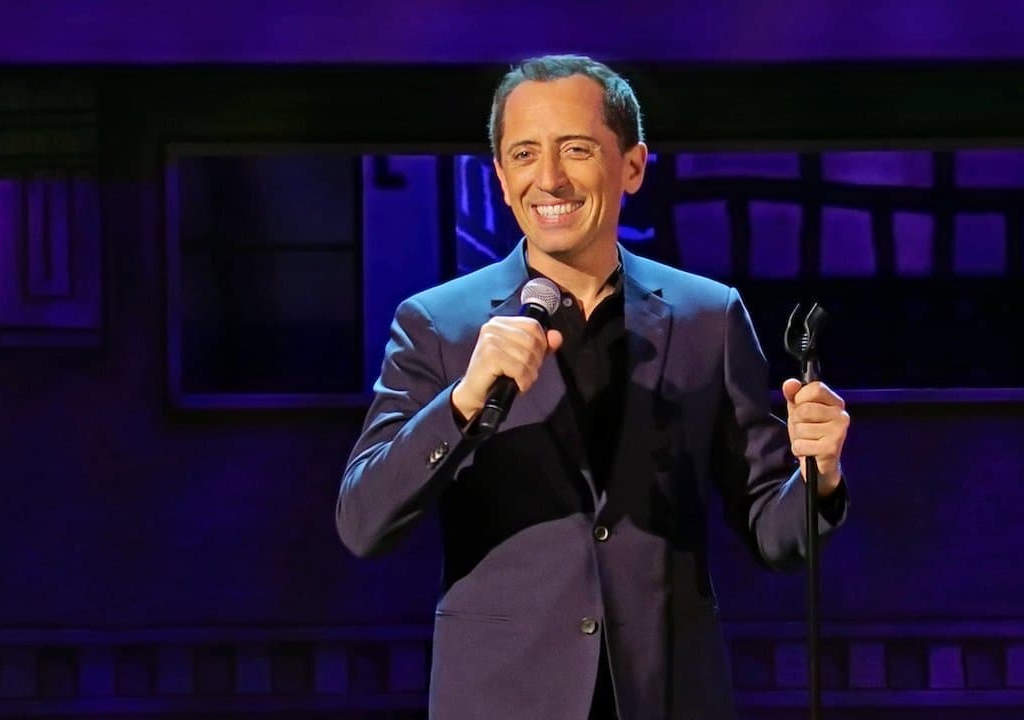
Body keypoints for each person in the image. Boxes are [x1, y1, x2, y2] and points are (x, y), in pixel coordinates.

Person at [336, 54, 851, 720]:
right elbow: (363, 523)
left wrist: (819, 477)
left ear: (632, 165)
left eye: (576, 149)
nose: (549, 178)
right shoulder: (438, 324)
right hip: (502, 701)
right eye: (524, 154)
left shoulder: (707, 316)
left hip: (666, 696)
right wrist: (462, 401)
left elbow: (775, 535)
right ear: (501, 178)